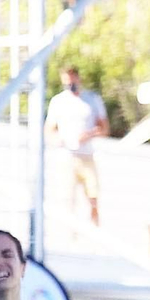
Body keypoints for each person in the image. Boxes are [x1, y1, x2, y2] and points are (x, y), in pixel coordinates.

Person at [45, 65, 109, 226]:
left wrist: (88, 134)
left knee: (93, 196)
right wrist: (63, 140)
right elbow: (49, 130)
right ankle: (70, 237)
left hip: (87, 155)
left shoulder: (92, 99)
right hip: (67, 157)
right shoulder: (58, 101)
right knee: (68, 199)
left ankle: (95, 230)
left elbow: (104, 127)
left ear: (78, 79)